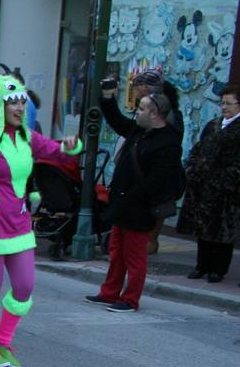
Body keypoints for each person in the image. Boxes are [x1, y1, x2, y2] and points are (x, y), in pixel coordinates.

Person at [0, 73, 81, 367]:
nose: (18, 108)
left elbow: (56, 152)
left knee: (24, 286)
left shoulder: (27, 136)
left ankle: (3, 342)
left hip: (18, 223)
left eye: (21, 102)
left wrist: (69, 145)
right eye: (12, 102)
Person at [86, 80, 184, 313]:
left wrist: (131, 198)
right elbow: (117, 121)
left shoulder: (168, 143)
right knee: (117, 252)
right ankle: (109, 292)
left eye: (141, 109)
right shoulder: (141, 130)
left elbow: (156, 181)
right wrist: (108, 97)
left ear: (155, 114)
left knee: (135, 257)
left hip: (140, 208)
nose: (136, 112)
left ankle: (130, 300)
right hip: (123, 203)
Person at [177, 85, 239, 283]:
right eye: (222, 103)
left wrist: (224, 179)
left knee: (222, 231)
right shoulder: (213, 124)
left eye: (229, 103)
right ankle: (202, 265)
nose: (224, 107)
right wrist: (193, 167)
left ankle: (218, 269)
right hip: (202, 186)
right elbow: (198, 148)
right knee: (202, 228)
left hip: (226, 189)